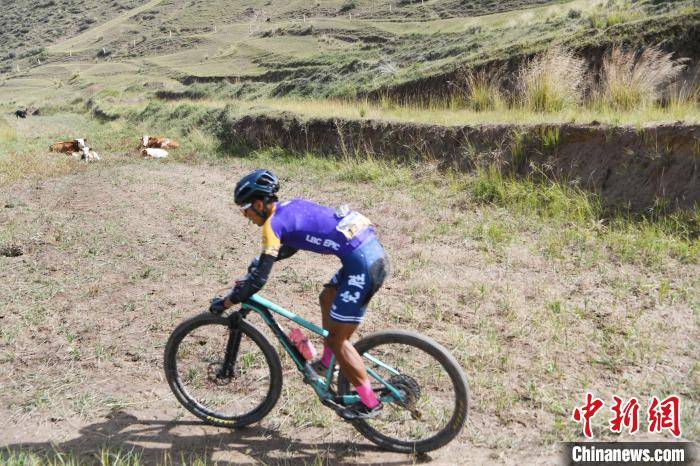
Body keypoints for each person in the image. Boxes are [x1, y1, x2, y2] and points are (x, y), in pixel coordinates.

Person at [209, 169, 389, 420]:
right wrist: (259, 261)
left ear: (259, 204)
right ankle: (328, 364)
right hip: (367, 254)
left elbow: (258, 282)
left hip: (362, 264)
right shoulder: (289, 207)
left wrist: (227, 301)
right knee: (327, 297)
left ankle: (371, 403)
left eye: (245, 209)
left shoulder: (272, 226)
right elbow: (291, 244)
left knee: (340, 341)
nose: (245, 216)